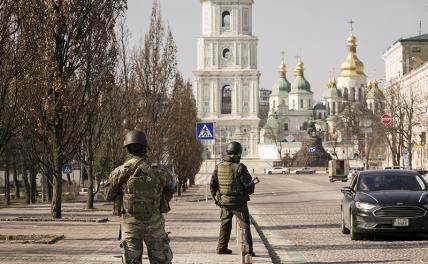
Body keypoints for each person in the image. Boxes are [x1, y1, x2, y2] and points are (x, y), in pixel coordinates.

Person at [104, 130, 176, 264]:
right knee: (161, 261)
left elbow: (108, 195)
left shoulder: (119, 171)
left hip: (130, 225)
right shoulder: (160, 170)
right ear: (145, 148)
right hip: (155, 224)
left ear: (127, 149)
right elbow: (172, 187)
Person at [210, 141, 256, 256]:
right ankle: (248, 250)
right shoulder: (240, 167)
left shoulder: (218, 166)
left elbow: (213, 185)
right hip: (239, 203)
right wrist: (249, 189)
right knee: (245, 225)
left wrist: (217, 199)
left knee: (225, 225)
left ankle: (221, 248)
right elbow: (249, 187)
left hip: (224, 201)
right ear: (238, 154)